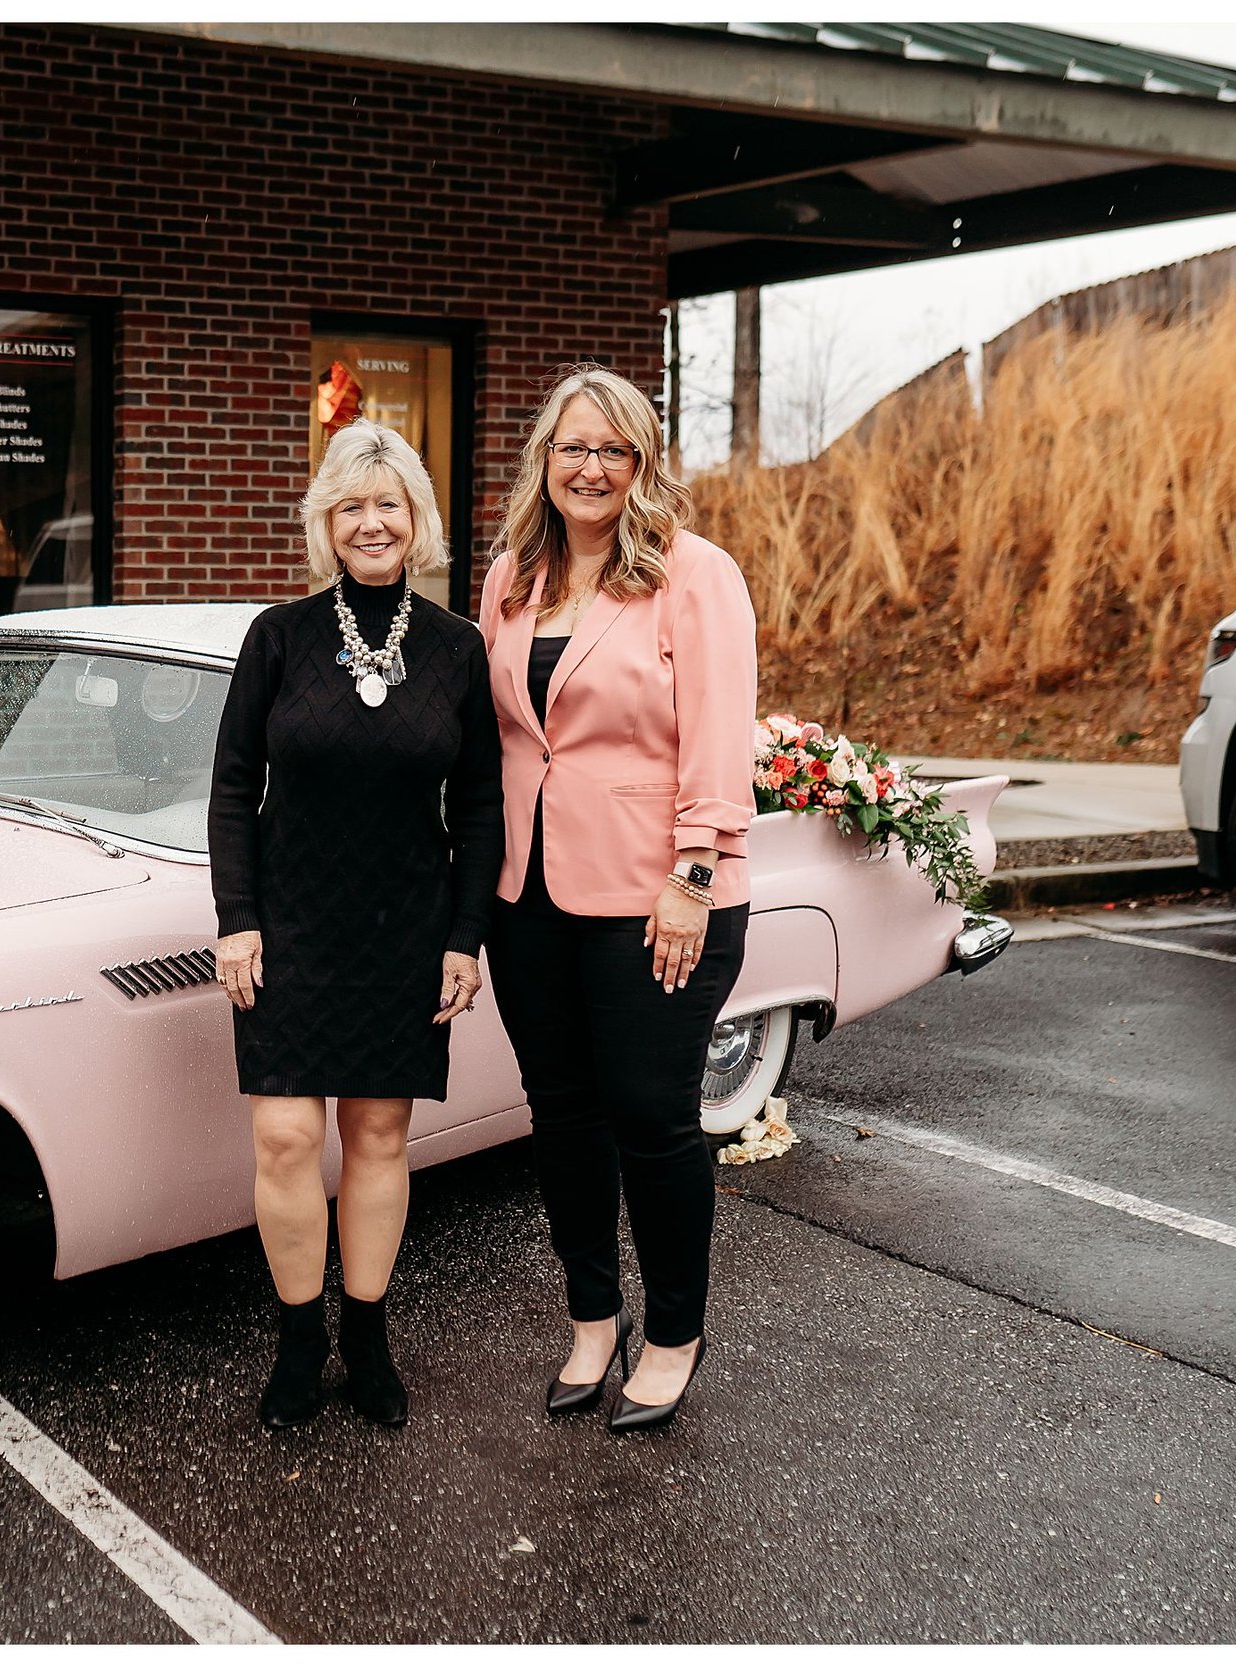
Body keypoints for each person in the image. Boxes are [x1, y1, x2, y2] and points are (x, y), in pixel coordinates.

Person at [475, 364, 757, 1433]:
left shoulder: (693, 574)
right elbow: (502, 736)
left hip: (658, 892)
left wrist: (692, 872)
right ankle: (593, 1316)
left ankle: (675, 1331)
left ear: (641, 464)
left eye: (612, 449)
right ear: (543, 460)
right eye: (570, 447)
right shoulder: (512, 576)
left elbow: (719, 732)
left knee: (650, 1116)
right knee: (561, 1117)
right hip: (528, 889)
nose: (588, 467)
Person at [208, 420, 504, 1430]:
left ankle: (367, 1336)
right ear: (325, 524)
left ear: (415, 519)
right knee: (287, 1135)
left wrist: (464, 937)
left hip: (405, 928)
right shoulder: (278, 637)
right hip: (289, 924)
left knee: (378, 1132)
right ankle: (298, 1338)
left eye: (387, 504)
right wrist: (237, 918)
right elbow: (231, 786)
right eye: (350, 506)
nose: (370, 521)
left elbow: (479, 810)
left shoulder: (458, 649)